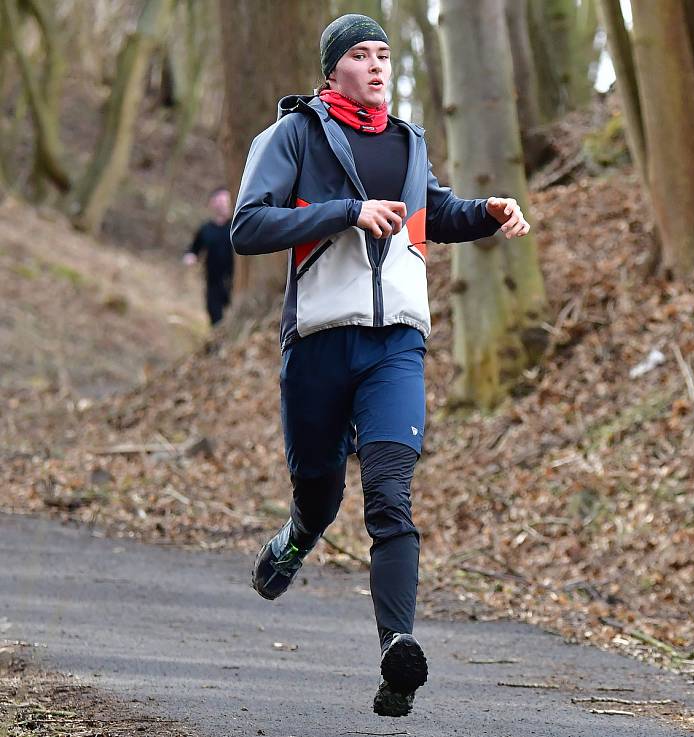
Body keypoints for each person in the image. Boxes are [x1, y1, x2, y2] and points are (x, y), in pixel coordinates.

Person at [230, 14, 531, 718]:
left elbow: (432, 213)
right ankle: (298, 534)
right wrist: (345, 211)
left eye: (383, 55)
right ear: (332, 70)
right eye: (360, 56)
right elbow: (248, 225)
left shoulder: (408, 140)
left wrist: (485, 211)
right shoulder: (293, 136)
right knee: (319, 489)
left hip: (396, 343)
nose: (375, 66)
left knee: (390, 493)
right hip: (318, 344)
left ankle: (399, 654)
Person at [184, 187, 235, 326]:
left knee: (234, 316)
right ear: (212, 203)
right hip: (213, 281)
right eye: (219, 201)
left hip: (234, 281)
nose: (223, 204)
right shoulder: (206, 229)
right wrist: (191, 256)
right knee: (215, 318)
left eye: (226, 201)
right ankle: (217, 345)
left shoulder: (236, 226)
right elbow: (194, 248)